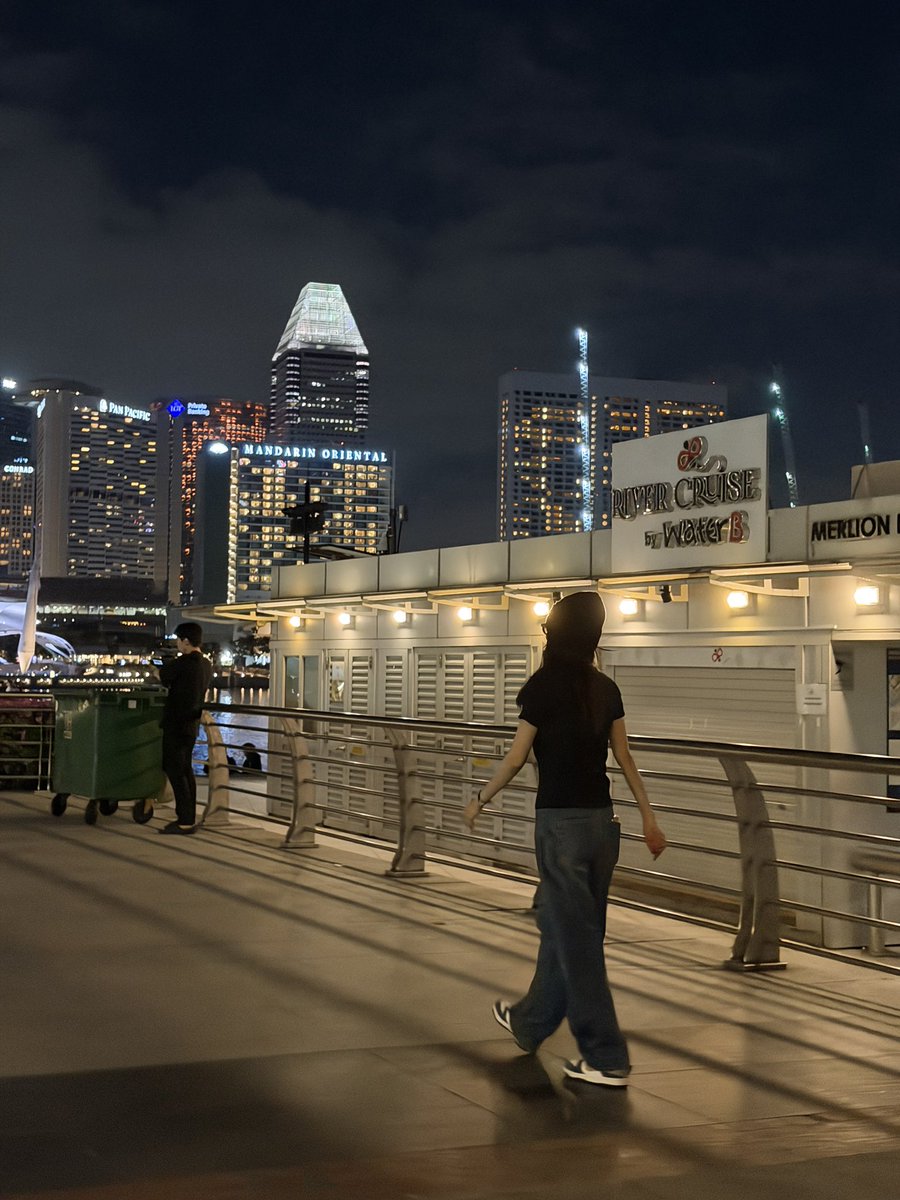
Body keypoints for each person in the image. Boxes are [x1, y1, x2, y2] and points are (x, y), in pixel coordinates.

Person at [462, 591, 666, 1087]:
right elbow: (624, 757)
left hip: (560, 827)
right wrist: (648, 816)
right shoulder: (606, 689)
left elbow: (516, 758)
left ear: (555, 635)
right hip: (602, 826)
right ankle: (530, 1021)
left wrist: (480, 798)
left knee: (577, 943)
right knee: (567, 926)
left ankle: (606, 1057)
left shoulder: (541, 688)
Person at [136, 622, 214, 835]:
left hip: (176, 722)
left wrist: (155, 670)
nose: (178, 644)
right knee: (186, 770)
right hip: (192, 723)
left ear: (186, 641)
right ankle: (188, 817)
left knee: (175, 770)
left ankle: (184, 820)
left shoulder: (184, 662)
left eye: (179, 640)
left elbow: (163, 676)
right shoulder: (206, 664)